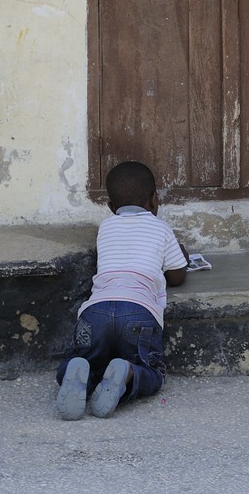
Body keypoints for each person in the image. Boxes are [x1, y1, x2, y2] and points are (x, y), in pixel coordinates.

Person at [55, 160, 190, 420]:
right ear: (154, 200)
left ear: (110, 206)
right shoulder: (161, 228)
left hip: (96, 312)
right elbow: (177, 277)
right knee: (152, 371)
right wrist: (181, 256)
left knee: (85, 359)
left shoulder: (106, 227)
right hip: (139, 312)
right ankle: (129, 372)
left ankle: (76, 368)